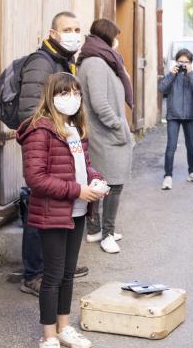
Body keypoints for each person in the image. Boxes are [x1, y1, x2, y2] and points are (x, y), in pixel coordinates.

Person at [17, 73, 104, 348]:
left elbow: (83, 165)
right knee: (52, 276)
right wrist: (77, 190)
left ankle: (64, 328)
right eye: (65, 93)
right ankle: (48, 335)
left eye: (76, 93)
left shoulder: (74, 128)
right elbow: (36, 178)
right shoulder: (39, 130)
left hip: (77, 209)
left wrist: (95, 180)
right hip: (52, 211)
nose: (72, 99)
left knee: (67, 273)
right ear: (51, 96)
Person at [18, 12, 89, 296]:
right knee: (39, 212)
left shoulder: (63, 60)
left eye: (77, 29)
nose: (73, 34)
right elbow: (29, 110)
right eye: (67, 29)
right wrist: (43, 138)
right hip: (45, 146)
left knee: (55, 211)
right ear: (53, 33)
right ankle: (34, 274)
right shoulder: (41, 62)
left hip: (60, 142)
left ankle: (55, 266)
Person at [77, 19, 134, 254]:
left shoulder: (97, 59)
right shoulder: (97, 63)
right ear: (109, 36)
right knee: (114, 183)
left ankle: (95, 230)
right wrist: (119, 126)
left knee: (100, 182)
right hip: (106, 133)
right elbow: (100, 104)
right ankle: (106, 234)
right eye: (116, 36)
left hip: (102, 132)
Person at [158, 48, 193, 190]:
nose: (183, 64)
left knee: (191, 146)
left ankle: (192, 172)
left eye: (186, 62)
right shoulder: (171, 75)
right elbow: (162, 88)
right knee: (171, 147)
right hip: (174, 115)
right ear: (176, 62)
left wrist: (190, 74)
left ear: (190, 63)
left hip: (189, 114)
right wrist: (171, 74)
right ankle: (168, 176)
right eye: (180, 61)